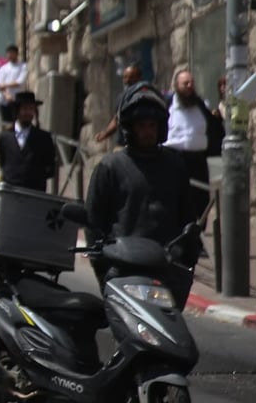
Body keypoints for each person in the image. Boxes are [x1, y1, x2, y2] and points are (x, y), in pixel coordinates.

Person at [86, 82, 199, 309]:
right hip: (124, 272)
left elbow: (187, 216)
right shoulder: (110, 167)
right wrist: (104, 268)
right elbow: (93, 222)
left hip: (166, 271)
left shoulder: (175, 165)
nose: (148, 131)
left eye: (152, 125)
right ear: (129, 128)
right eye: (141, 126)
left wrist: (187, 259)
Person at [163, 67, 216, 222]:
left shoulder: (201, 105)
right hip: (175, 159)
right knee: (177, 200)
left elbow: (213, 129)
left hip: (198, 162)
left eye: (191, 83)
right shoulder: (168, 107)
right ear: (176, 86)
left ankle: (197, 233)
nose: (189, 86)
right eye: (185, 83)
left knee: (201, 202)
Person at [0, 91, 56, 191]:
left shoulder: (44, 138)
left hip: (34, 192)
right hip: (10, 191)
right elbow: (2, 161)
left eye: (31, 109)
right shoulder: (5, 137)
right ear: (17, 111)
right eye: (24, 109)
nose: (28, 113)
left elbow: (50, 167)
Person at [94, 63, 142, 144]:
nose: (127, 80)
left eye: (131, 77)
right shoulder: (122, 98)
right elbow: (116, 119)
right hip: (125, 144)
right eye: (125, 77)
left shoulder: (146, 96)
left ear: (139, 78)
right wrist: (104, 134)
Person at [0, 44, 26, 124]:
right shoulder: (3, 68)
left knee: (17, 123)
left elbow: (19, 82)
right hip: (4, 101)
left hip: (17, 99)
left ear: (16, 54)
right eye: (8, 53)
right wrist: (6, 95)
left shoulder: (23, 66)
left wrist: (5, 85)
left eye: (12, 53)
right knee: (6, 124)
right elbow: (0, 85)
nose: (10, 56)